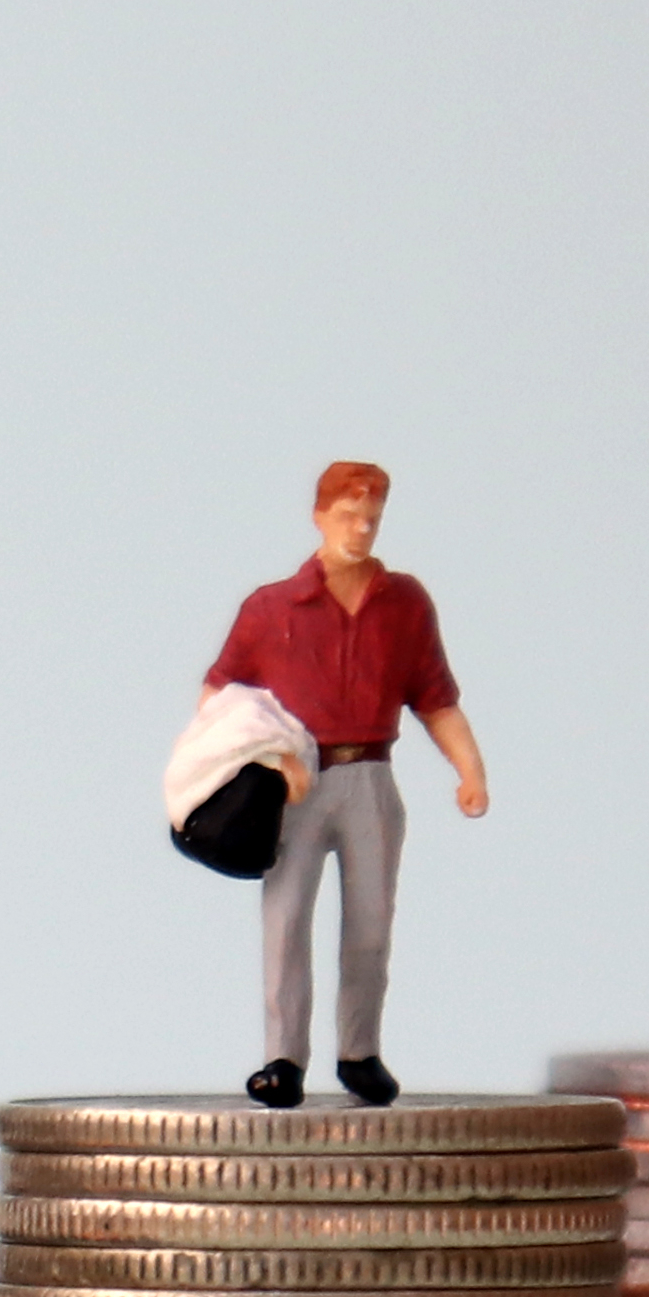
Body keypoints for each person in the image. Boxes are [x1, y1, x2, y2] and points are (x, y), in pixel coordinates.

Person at [201, 462, 492, 1110]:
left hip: (371, 778)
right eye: (346, 515)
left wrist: (469, 769)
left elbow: (435, 699)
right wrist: (254, 761)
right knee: (286, 920)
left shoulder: (405, 604)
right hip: (298, 783)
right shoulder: (272, 607)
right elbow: (219, 697)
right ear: (319, 515)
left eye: (372, 517)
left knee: (369, 924)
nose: (359, 529)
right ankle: (283, 1057)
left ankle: (360, 1052)